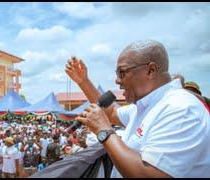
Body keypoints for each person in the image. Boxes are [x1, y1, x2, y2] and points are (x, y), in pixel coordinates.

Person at [65, 40, 210, 178]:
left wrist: (104, 131)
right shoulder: (149, 105)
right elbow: (112, 112)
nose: (117, 80)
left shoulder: (181, 109)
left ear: (151, 70)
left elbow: (149, 175)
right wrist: (83, 81)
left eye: (122, 72)